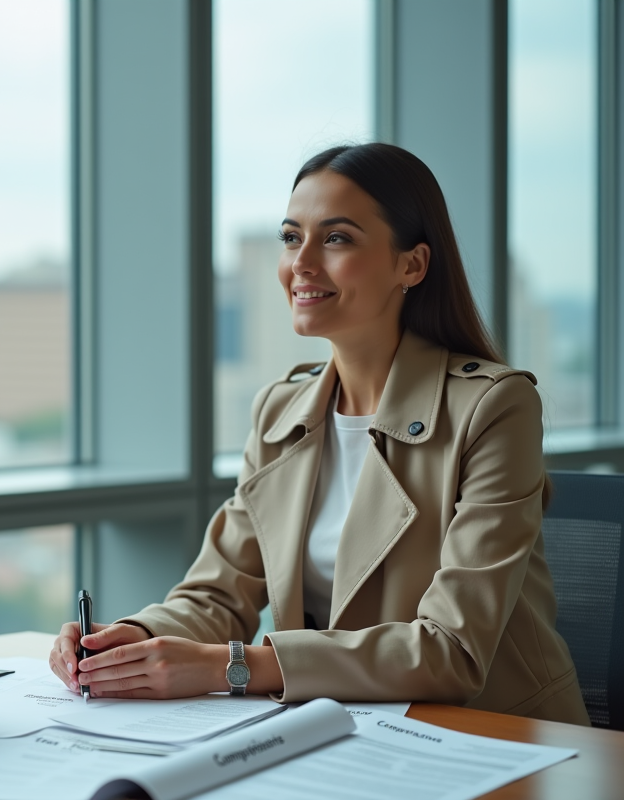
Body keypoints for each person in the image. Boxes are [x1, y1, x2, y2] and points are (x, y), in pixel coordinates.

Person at [50, 143, 590, 726]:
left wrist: (229, 666)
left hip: (487, 735)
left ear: (411, 265)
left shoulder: (493, 407)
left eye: (336, 239)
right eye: (290, 237)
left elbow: (450, 651)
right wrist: (131, 639)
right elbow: (218, 595)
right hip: (346, 732)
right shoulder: (281, 410)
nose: (301, 262)